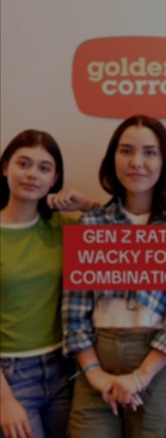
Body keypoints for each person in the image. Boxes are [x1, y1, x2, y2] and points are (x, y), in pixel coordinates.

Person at [62, 115, 166, 437]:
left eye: (149, 152)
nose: (136, 162)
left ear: (164, 161)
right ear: (112, 158)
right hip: (95, 363)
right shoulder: (92, 223)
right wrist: (97, 376)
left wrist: (140, 377)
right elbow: (73, 313)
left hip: (162, 366)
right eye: (126, 151)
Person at [1, 130, 96, 438]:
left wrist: (87, 204)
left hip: (65, 369)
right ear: (5, 167)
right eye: (23, 163)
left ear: (54, 178)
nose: (32, 174)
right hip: (11, 376)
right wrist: (4, 400)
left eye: (44, 168)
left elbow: (129, 237)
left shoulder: (64, 226)